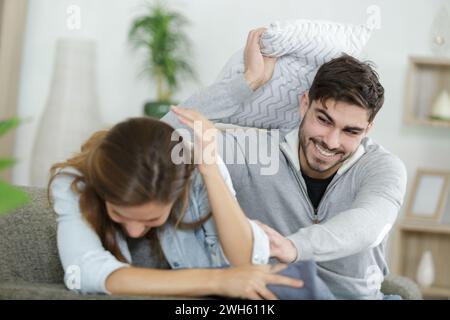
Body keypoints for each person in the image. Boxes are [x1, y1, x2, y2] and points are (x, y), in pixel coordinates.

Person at [162, 28, 407, 299]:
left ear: (368, 128)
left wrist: (294, 246)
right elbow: (158, 143)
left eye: (351, 131)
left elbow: (368, 224)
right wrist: (244, 85)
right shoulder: (255, 152)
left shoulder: (382, 167)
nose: (332, 141)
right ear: (305, 104)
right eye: (323, 120)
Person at [48, 116, 304, 299]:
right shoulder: (76, 182)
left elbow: (246, 261)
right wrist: (217, 280)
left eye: (153, 218)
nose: (135, 232)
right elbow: (82, 272)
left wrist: (210, 170)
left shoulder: (195, 174)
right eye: (118, 213)